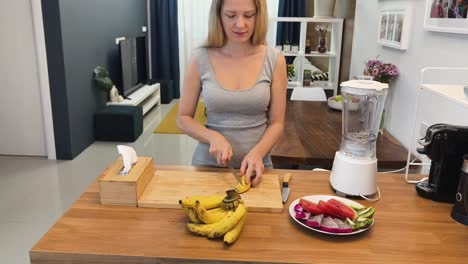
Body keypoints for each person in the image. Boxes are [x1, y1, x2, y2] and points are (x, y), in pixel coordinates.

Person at [177, 0, 287, 186]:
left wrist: (258, 152)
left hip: (257, 169)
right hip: (208, 168)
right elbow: (183, 118)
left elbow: (277, 123)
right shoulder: (200, 58)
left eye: (249, 15)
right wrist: (213, 137)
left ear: (259, 16)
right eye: (231, 15)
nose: (240, 24)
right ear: (218, 15)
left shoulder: (275, 60)